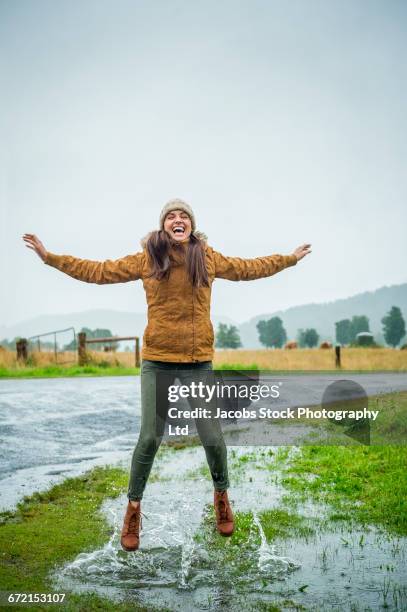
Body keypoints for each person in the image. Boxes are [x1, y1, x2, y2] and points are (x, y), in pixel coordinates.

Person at [23, 198, 311, 551]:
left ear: (191, 224)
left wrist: (289, 259)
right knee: (149, 438)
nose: (178, 219)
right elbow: (97, 271)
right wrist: (51, 258)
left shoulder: (207, 257)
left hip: (197, 361)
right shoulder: (148, 257)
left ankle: (221, 496)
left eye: (184, 215)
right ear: (163, 226)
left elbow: (249, 268)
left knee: (212, 437)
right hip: (157, 360)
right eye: (171, 216)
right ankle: (133, 509)